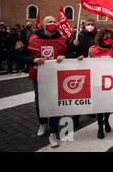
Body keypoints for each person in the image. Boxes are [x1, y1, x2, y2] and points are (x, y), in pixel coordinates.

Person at [22, 16, 75, 148]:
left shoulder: (63, 39)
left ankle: (53, 132)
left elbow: (74, 53)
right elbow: (19, 54)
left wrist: (65, 56)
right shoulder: (32, 39)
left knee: (54, 104)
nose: (52, 23)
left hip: (57, 76)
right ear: (43, 25)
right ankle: (42, 123)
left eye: (54, 21)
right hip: (38, 76)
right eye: (49, 22)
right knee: (40, 102)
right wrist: (33, 60)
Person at [86, 28, 113, 139]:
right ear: (100, 38)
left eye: (110, 37)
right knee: (100, 107)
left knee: (107, 106)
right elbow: (87, 64)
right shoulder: (93, 50)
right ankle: (100, 126)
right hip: (97, 83)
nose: (108, 39)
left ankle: (106, 121)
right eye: (105, 37)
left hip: (110, 84)